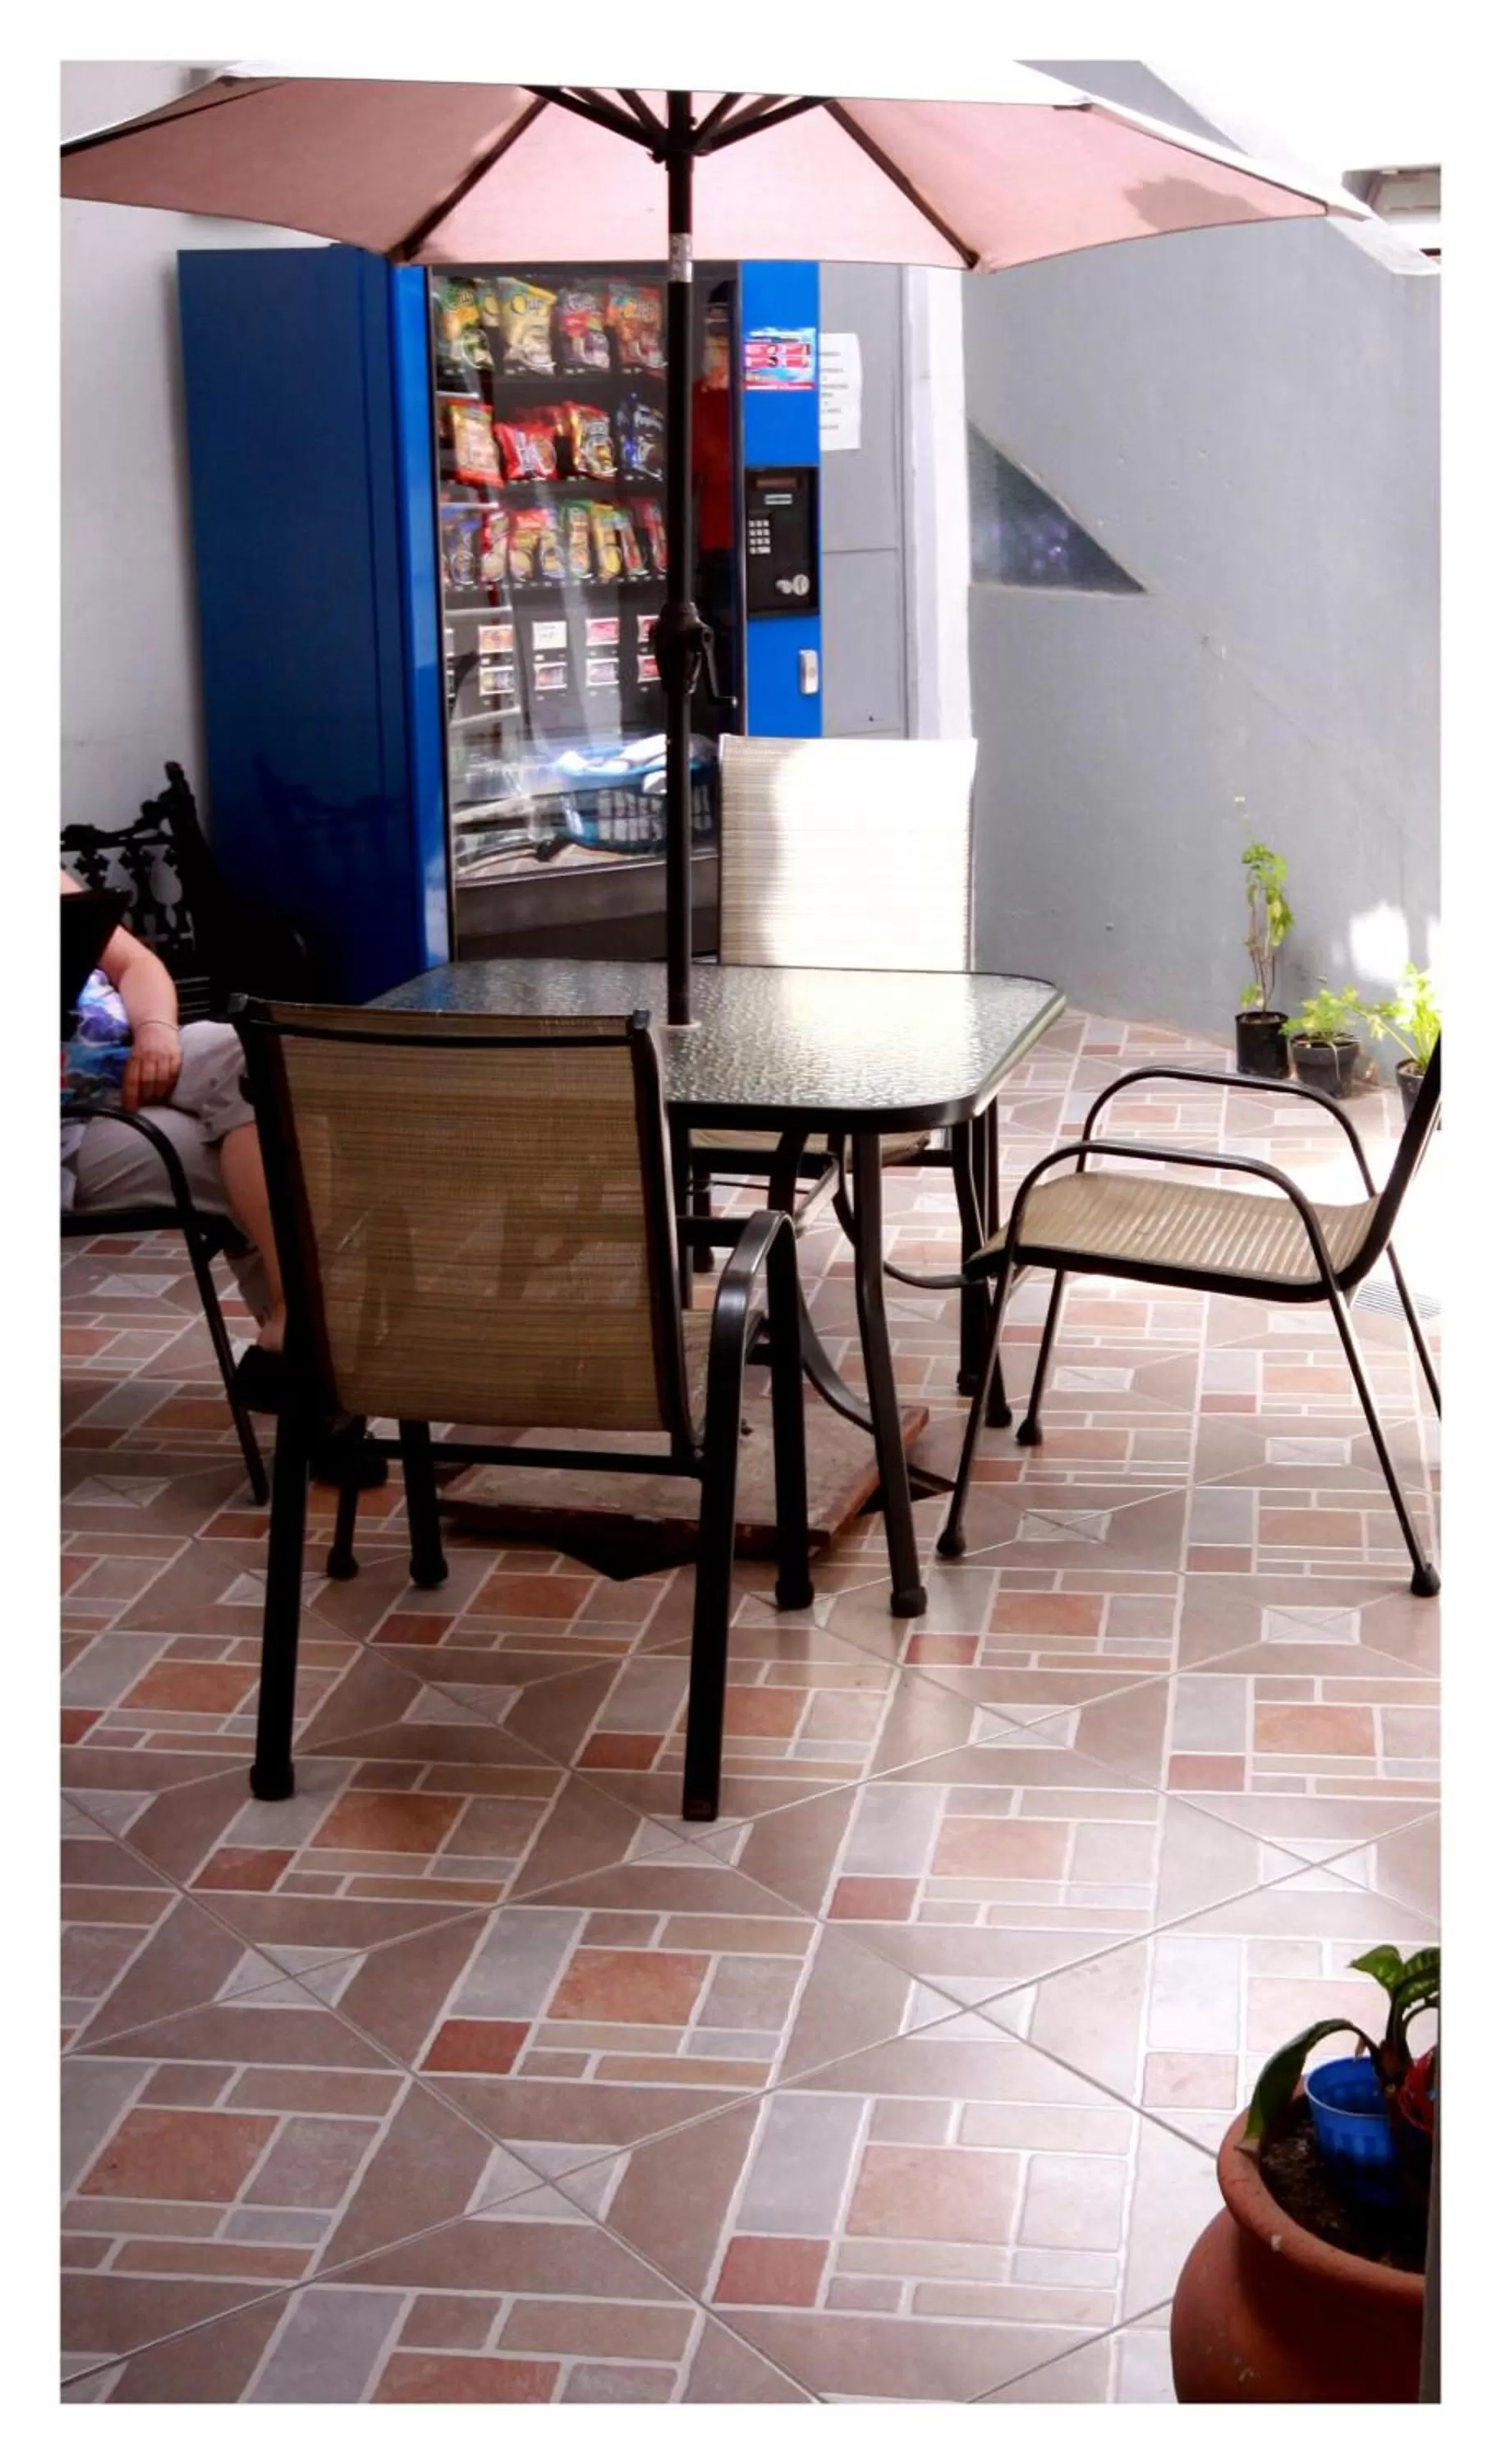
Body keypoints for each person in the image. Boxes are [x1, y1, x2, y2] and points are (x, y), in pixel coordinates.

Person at [61, 869, 287, 1391]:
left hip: (132, 1062)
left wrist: (156, 1032)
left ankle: (296, 1323)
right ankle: (321, 1399)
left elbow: (136, 962)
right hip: (67, 1127)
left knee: (250, 1051)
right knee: (262, 1166)